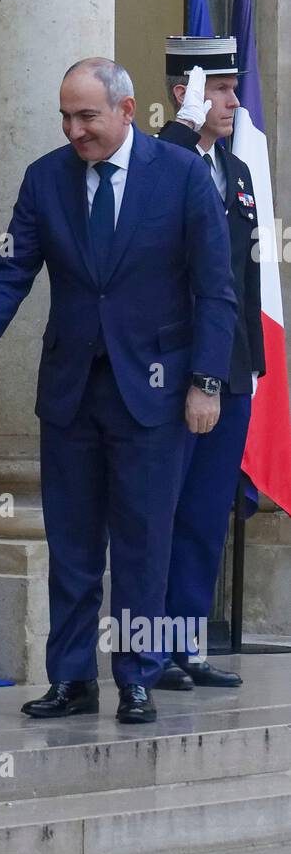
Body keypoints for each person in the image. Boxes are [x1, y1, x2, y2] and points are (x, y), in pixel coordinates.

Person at [0, 58, 236, 724]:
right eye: (66, 116)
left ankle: (137, 676)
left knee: (144, 542)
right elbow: (12, 265)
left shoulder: (183, 178)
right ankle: (72, 678)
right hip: (72, 392)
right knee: (73, 543)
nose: (74, 130)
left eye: (87, 116)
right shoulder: (45, 178)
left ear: (128, 111)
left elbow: (216, 291)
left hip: (157, 394)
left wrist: (205, 383)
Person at [155, 39, 265, 690]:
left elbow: (241, 281)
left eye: (232, 88)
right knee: (162, 510)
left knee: (205, 511)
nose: (232, 101)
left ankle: (188, 643)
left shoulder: (238, 171)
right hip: (172, 372)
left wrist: (248, 363)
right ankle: (155, 648)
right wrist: (180, 131)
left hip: (229, 370)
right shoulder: (163, 160)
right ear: (186, 95)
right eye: (220, 90)